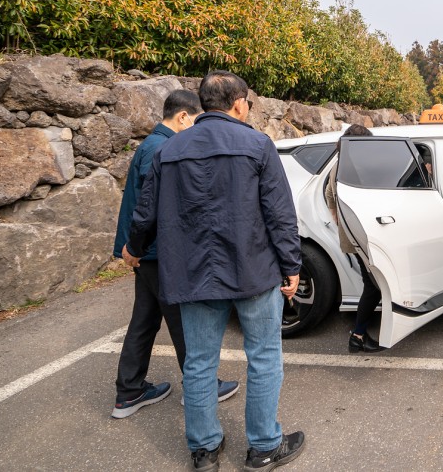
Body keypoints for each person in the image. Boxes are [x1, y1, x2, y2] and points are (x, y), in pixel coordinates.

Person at [125, 71, 306, 471]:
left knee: (200, 362)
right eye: (249, 104)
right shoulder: (257, 145)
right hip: (253, 271)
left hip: (194, 274)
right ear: (239, 103)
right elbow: (280, 214)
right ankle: (263, 447)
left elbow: (145, 213)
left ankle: (205, 450)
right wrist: (291, 265)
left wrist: (133, 249)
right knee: (263, 357)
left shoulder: (168, 151)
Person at [111, 90, 240, 419]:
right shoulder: (165, 147)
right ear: (183, 117)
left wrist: (132, 247)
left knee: (145, 320)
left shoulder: (151, 144)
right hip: (158, 253)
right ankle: (202, 387)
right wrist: (139, 247)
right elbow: (152, 208)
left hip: (146, 252)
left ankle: (129, 391)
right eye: (196, 121)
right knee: (185, 322)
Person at [324, 124, 384, 353]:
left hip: (354, 236)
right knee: (374, 286)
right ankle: (357, 336)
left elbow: (330, 195)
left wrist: (339, 220)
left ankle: (359, 334)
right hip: (363, 237)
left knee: (372, 284)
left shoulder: (338, 166)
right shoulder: (360, 169)